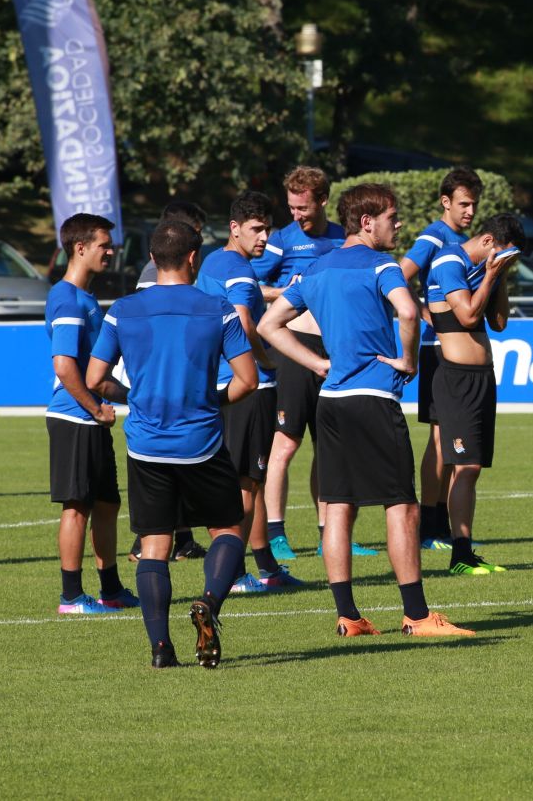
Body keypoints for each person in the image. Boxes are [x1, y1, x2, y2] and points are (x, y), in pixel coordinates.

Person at [258, 183, 474, 639]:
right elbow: (409, 314)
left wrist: (318, 364)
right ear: (366, 222)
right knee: (402, 505)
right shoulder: (382, 265)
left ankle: (348, 616)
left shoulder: (314, 270)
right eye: (392, 218)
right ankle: (416, 615)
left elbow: (268, 324)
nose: (398, 225)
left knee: (338, 506)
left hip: (331, 402)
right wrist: (410, 361)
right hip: (373, 399)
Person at [87, 220, 259, 668]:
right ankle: (208, 604)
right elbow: (248, 380)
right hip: (201, 440)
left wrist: (131, 397)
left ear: (150, 259)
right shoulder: (217, 309)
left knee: (155, 545)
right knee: (226, 530)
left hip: (146, 445)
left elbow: (94, 380)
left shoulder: (121, 310)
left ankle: (161, 649)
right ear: (192, 258)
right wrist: (213, 398)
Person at [253, 166, 377, 560]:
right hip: (294, 348)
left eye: (302, 207)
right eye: (291, 207)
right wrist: (283, 290)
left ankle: (331, 534)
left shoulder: (344, 239)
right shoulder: (281, 240)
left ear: (323, 201)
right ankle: (276, 533)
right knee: (286, 443)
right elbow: (249, 284)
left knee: (331, 446)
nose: (296, 215)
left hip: (336, 348)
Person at [194, 191, 303, 593]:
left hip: (221, 382)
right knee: (244, 483)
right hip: (248, 386)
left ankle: (265, 567)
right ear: (235, 228)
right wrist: (267, 361)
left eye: (267, 230)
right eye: (256, 229)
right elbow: (245, 321)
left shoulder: (214, 262)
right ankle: (234, 573)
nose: (263, 238)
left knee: (247, 480)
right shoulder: (238, 268)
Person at [46, 213, 139, 615]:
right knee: (77, 506)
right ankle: (71, 597)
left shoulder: (84, 298)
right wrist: (96, 408)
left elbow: (94, 374)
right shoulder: (67, 298)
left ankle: (111, 589)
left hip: (90, 416)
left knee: (106, 504)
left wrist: (132, 396)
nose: (111, 251)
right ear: (80, 248)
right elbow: (65, 367)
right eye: (104, 244)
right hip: (74, 418)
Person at [425, 212, 524, 575]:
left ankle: (464, 550)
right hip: (456, 379)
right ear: (487, 242)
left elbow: (497, 323)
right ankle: (459, 555)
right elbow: (467, 317)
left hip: (482, 378)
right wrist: (491, 274)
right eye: (503, 254)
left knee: (473, 468)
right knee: (464, 466)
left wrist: (501, 277)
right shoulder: (449, 261)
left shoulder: (485, 272)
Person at [398, 167, 482, 551]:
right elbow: (401, 275)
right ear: (445, 202)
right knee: (439, 438)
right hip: (437, 349)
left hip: (451, 349)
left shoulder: (462, 240)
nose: (470, 210)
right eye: (463, 203)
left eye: (474, 204)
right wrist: (424, 312)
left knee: (447, 439)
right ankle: (430, 525)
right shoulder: (435, 235)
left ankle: (437, 525)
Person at [130, 200, 209, 562]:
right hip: (166, 399)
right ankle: (144, 545)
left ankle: (183, 539)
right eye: (197, 230)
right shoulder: (154, 279)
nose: (202, 237)